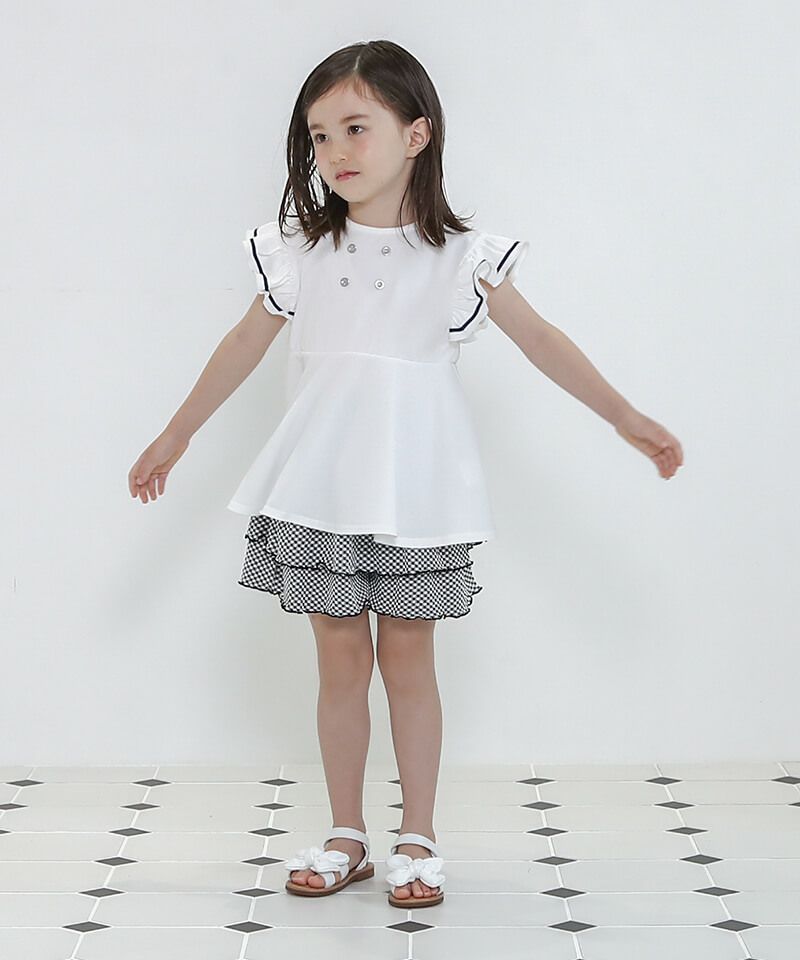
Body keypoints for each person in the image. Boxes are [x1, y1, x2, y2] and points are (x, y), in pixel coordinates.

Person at [127, 40, 684, 909]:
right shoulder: (299, 251)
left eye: (356, 127)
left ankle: (417, 833)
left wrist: (624, 416)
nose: (335, 151)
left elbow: (542, 340)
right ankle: (347, 832)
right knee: (339, 663)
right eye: (319, 136)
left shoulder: (462, 258)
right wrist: (176, 434)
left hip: (416, 494)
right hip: (319, 489)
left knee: (411, 661)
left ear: (416, 134)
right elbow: (242, 344)